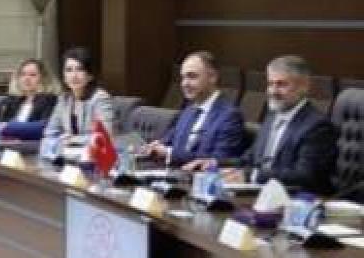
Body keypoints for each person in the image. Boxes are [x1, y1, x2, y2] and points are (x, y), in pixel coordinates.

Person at [195, 55, 338, 194]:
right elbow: (248, 160)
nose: (273, 91)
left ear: (303, 86)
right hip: (260, 193)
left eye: (281, 84)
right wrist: (215, 163)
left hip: (292, 199)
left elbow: (305, 176)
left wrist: (253, 176)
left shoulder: (317, 126)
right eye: (270, 84)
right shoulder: (272, 116)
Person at [145, 51, 246, 167]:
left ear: (212, 77)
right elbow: (167, 141)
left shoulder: (230, 116)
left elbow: (219, 161)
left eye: (192, 76)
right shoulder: (188, 111)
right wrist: (155, 146)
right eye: (183, 77)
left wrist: (169, 153)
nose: (184, 83)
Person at [45, 46, 115, 139]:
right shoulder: (64, 99)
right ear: (64, 76)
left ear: (90, 75)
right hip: (67, 148)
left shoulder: (100, 98)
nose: (74, 75)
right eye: (69, 70)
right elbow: (49, 132)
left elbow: (104, 135)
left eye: (80, 69)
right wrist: (62, 139)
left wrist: (73, 139)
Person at [0, 58, 59, 124]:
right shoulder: (8, 101)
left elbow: (44, 125)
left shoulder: (50, 100)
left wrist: (8, 126)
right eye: (23, 74)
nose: (26, 78)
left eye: (32, 75)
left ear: (44, 78)